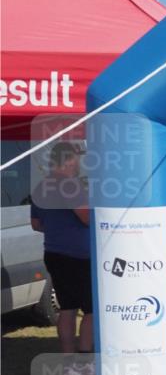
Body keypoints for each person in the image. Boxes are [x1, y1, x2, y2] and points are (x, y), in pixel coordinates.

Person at [30, 142, 93, 354]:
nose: (79, 164)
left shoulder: (42, 186)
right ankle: (84, 357)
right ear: (68, 160)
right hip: (77, 255)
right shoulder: (70, 185)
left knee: (67, 308)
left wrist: (58, 227)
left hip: (54, 252)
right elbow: (86, 217)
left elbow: (36, 224)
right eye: (77, 159)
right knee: (92, 310)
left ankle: (68, 358)